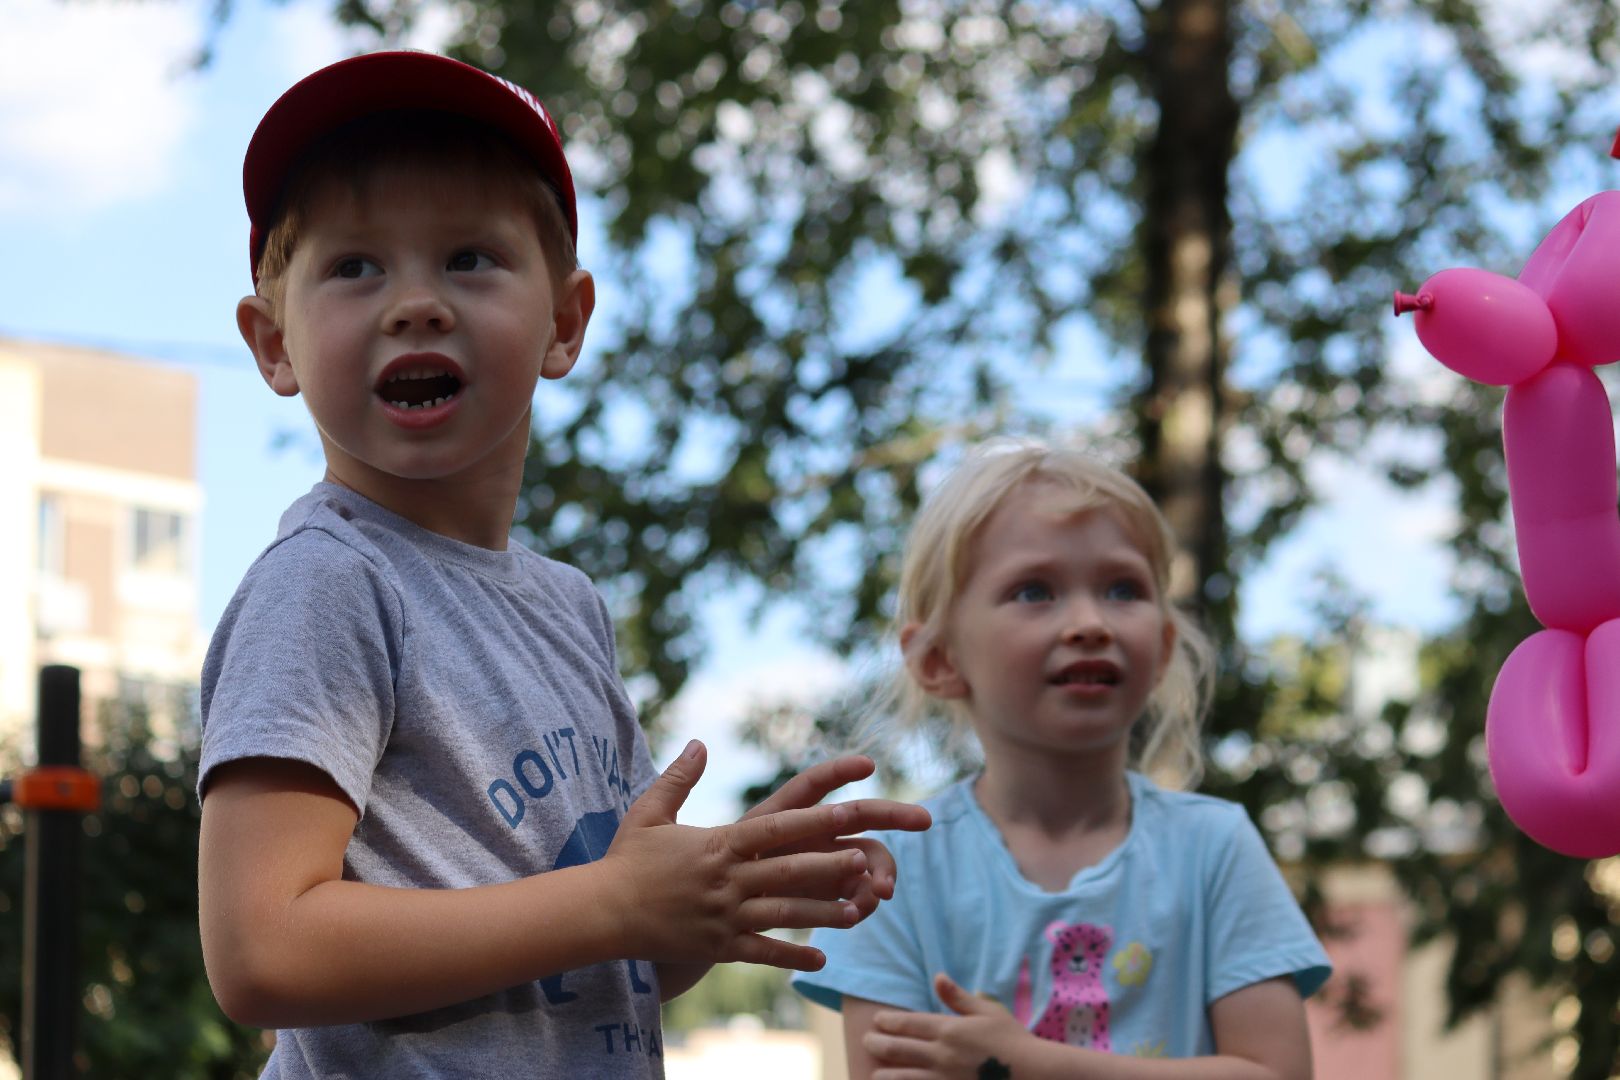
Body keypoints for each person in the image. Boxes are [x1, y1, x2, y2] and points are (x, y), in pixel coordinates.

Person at [197, 50, 930, 1079]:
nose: (416, 302)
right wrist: (614, 901)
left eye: (469, 259)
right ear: (273, 344)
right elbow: (262, 951)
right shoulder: (328, 582)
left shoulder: (566, 607)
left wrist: (717, 886)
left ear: (567, 321)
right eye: (355, 265)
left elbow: (614, 953)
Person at [792, 439, 1331, 1079]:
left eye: (1122, 588)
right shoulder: (890, 869)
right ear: (940, 659)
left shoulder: (1214, 848)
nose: (1088, 622)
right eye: (1034, 591)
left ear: (1161, 648)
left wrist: (1022, 1065)